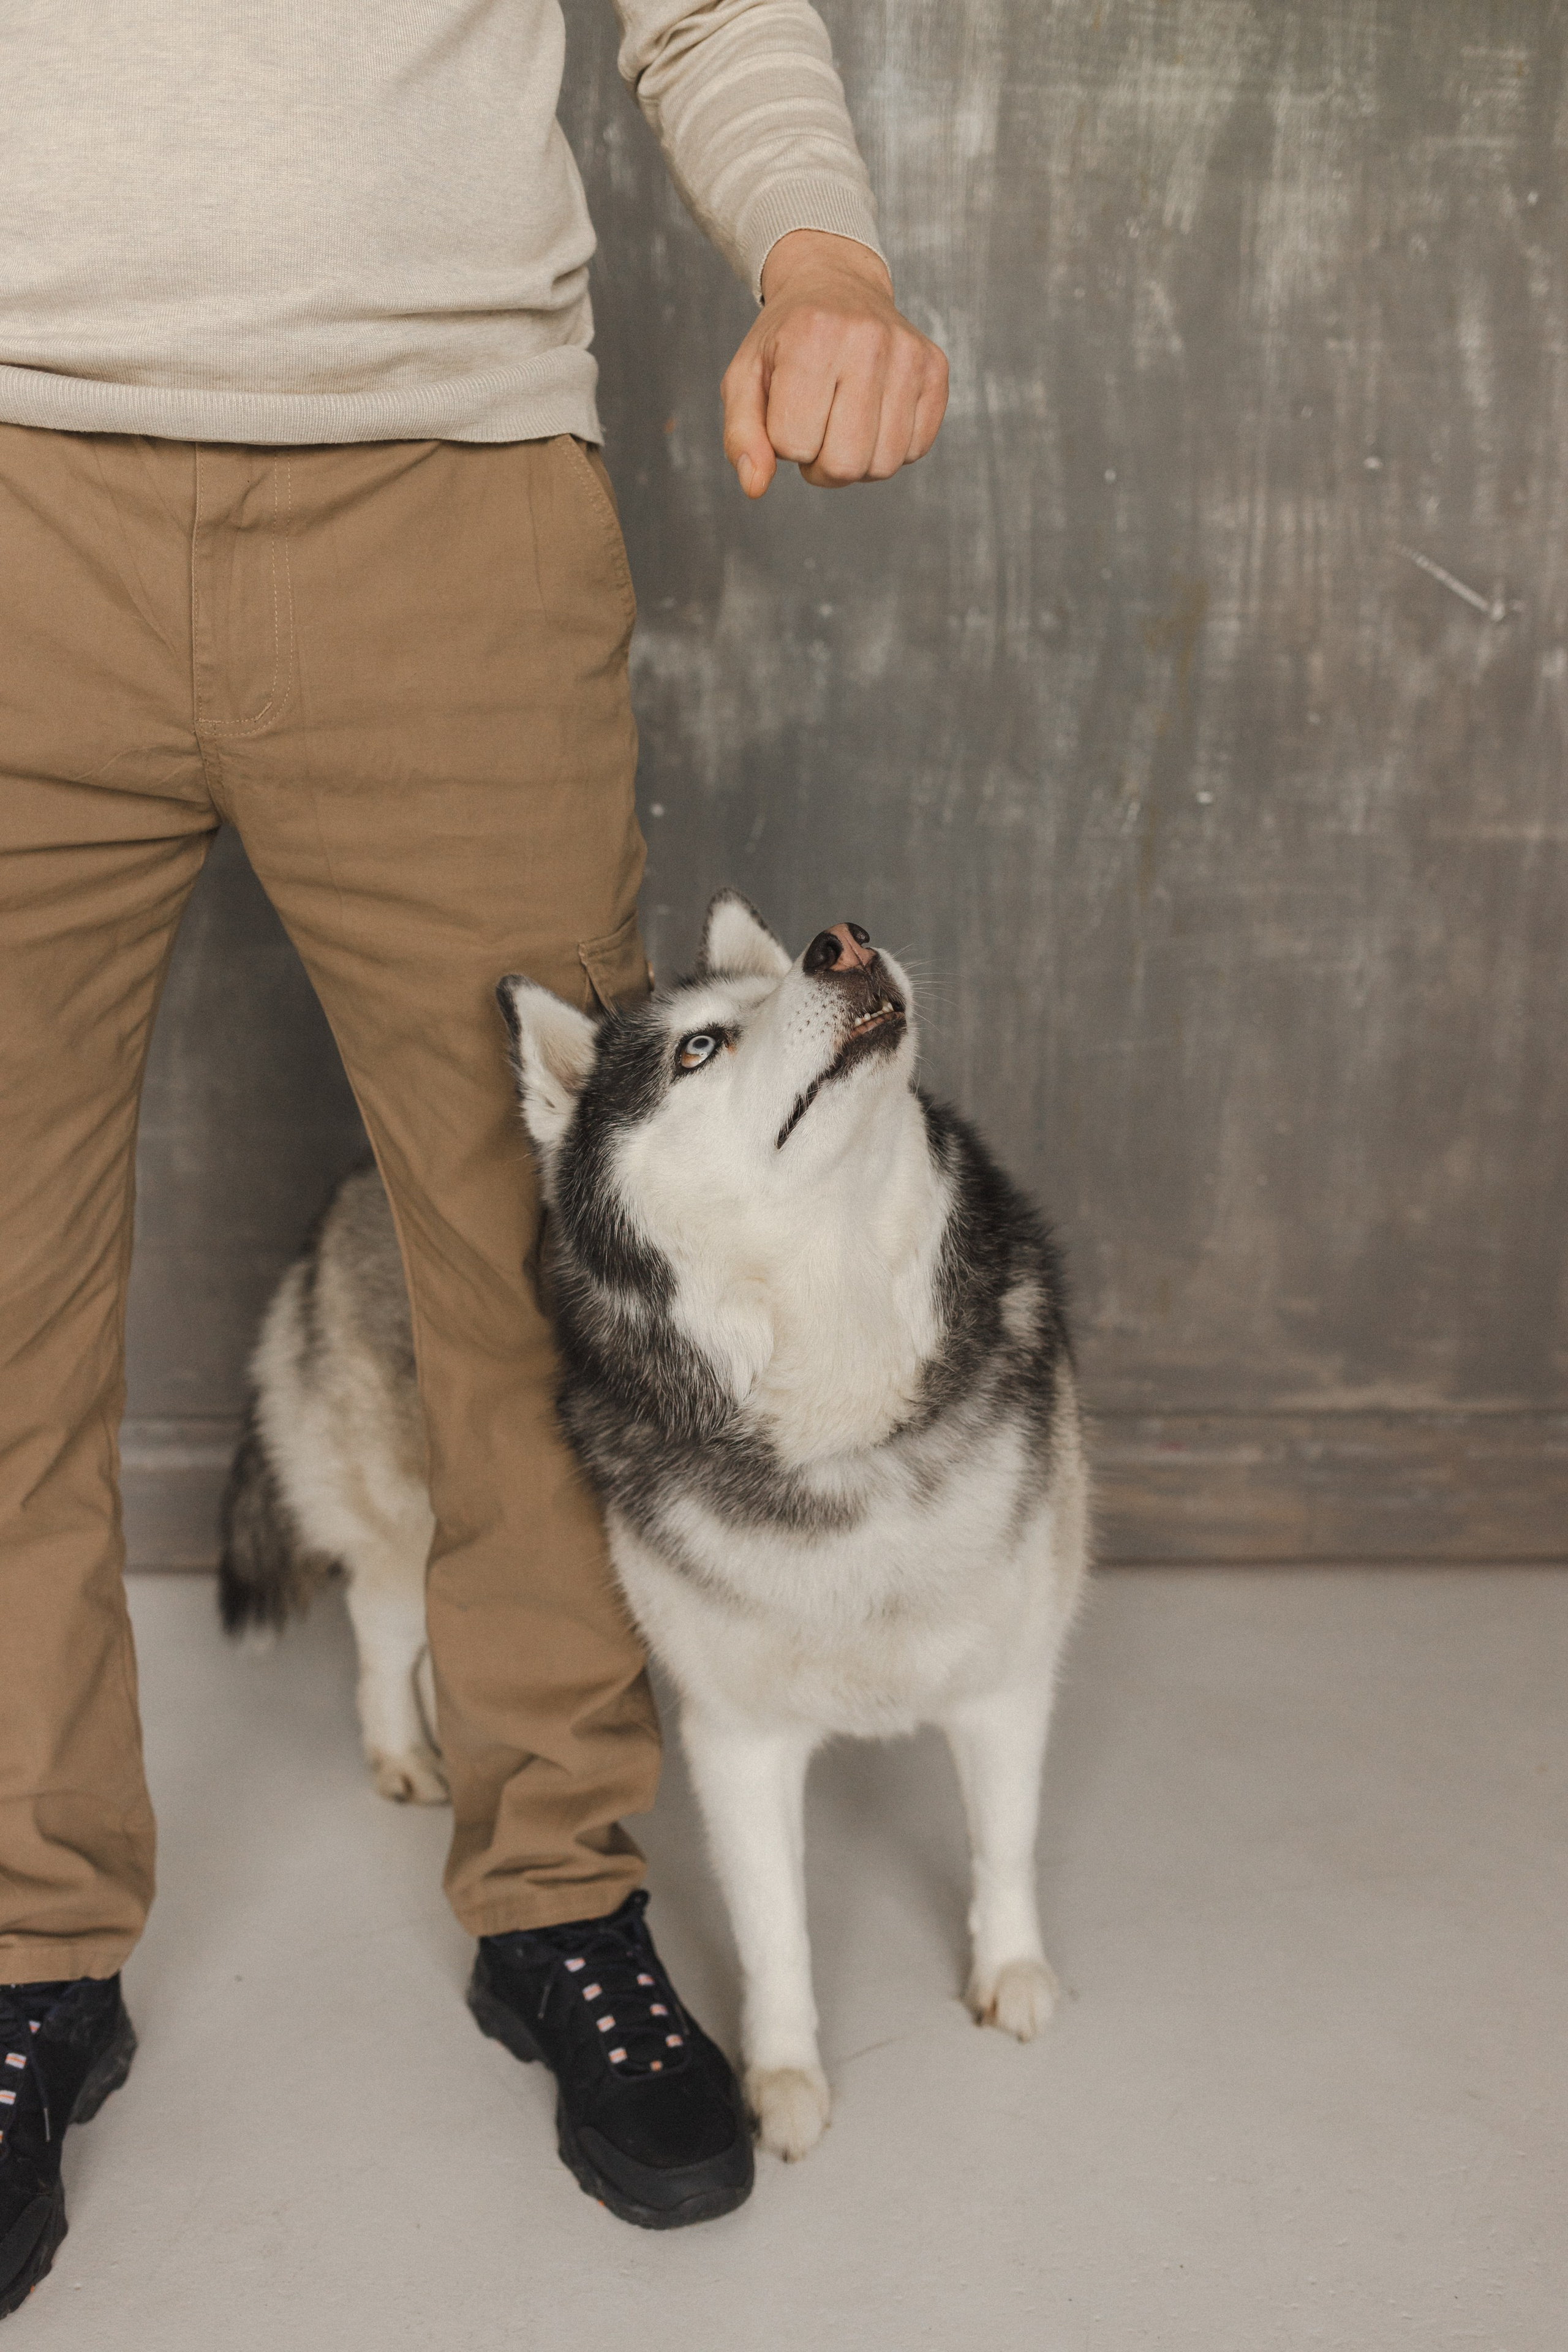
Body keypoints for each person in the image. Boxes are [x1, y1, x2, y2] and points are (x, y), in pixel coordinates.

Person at [0, 0, 948, 2293]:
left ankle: (561, 1897)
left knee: (540, 1273)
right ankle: (26, 1943)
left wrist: (820, 255)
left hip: (445, 503)